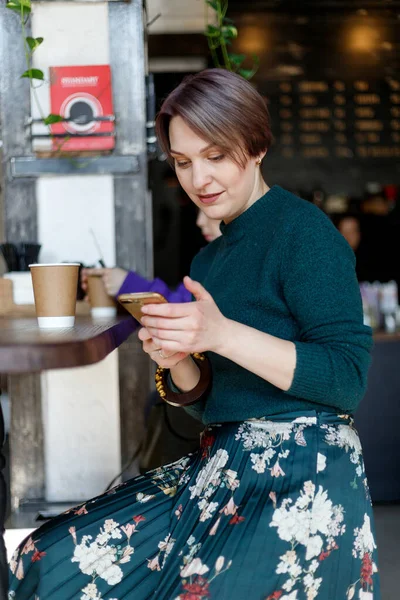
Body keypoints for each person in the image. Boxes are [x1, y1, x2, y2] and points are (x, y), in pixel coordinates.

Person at [9, 69, 380, 599]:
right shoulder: (209, 259)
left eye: (215, 155)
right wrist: (178, 359)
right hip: (222, 464)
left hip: (304, 470)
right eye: (183, 162)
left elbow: (347, 380)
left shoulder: (304, 233)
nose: (198, 178)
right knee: (44, 558)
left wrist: (222, 334)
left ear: (255, 148)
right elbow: (209, 404)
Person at [80, 210, 222, 303]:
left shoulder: (232, 264)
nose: (200, 221)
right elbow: (185, 299)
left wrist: (128, 285)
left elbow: (187, 312)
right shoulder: (208, 259)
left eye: (209, 210)